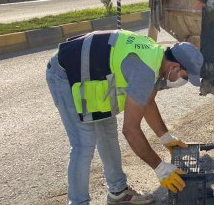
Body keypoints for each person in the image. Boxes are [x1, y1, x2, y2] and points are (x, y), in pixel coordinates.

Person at [45, 29, 204, 204]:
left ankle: (118, 192)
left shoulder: (155, 59)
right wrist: (160, 168)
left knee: (107, 135)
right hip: (65, 73)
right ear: (174, 66)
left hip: (92, 78)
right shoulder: (145, 70)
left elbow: (148, 102)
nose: (183, 82)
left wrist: (166, 138)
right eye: (185, 77)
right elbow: (130, 130)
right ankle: (78, 202)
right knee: (83, 146)